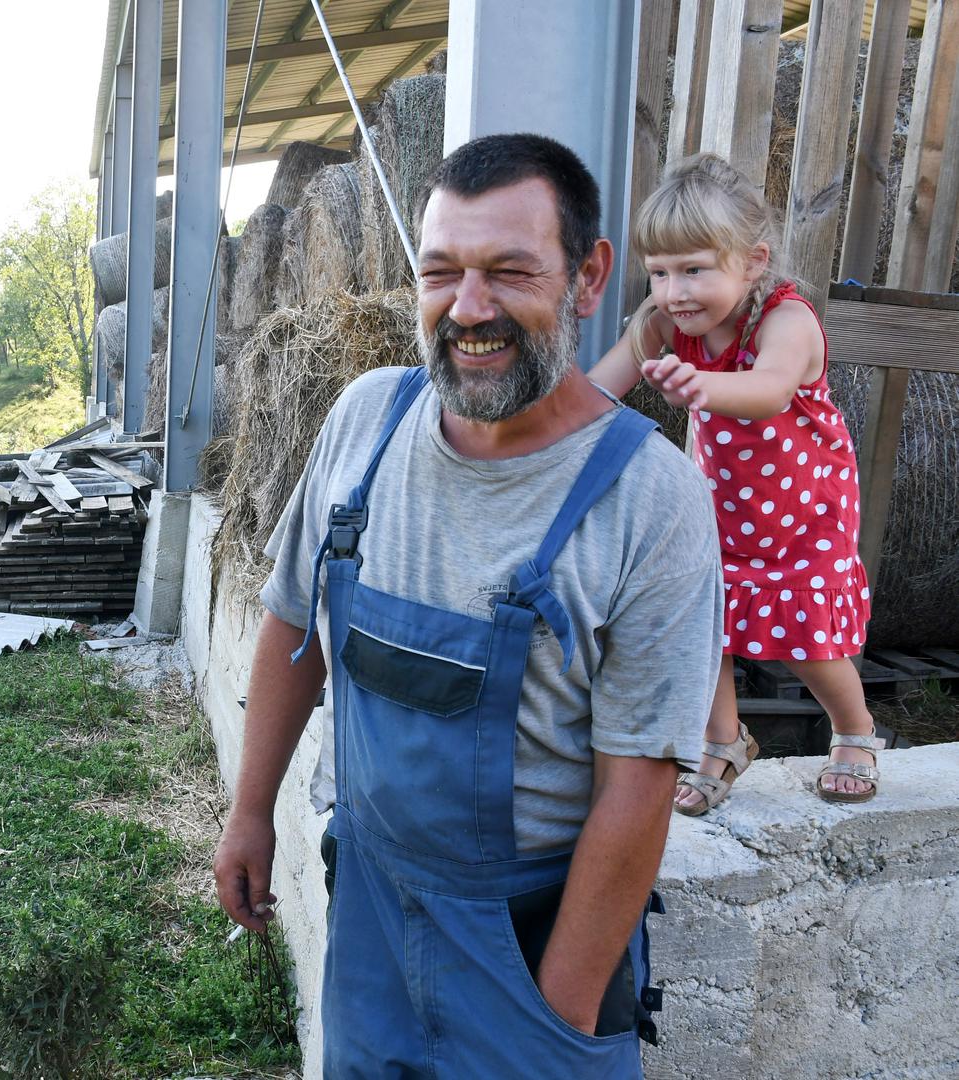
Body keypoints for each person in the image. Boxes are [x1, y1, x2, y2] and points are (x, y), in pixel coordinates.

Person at [213, 133, 723, 1077]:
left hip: (528, 943)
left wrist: (554, 1021)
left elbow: (638, 784)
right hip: (367, 901)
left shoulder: (651, 499)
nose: (469, 309)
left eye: (509, 272)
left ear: (587, 276)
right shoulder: (367, 418)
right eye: (441, 272)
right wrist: (251, 812)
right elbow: (292, 623)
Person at [589, 153, 880, 812]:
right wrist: (544, 424)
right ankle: (722, 741)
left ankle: (854, 731)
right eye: (659, 273)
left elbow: (769, 391)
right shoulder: (664, 324)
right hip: (720, 510)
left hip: (803, 513)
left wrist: (703, 385)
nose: (672, 292)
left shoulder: (783, 319)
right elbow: (599, 391)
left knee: (809, 638)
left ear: (750, 261)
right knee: (705, 628)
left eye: (693, 269)